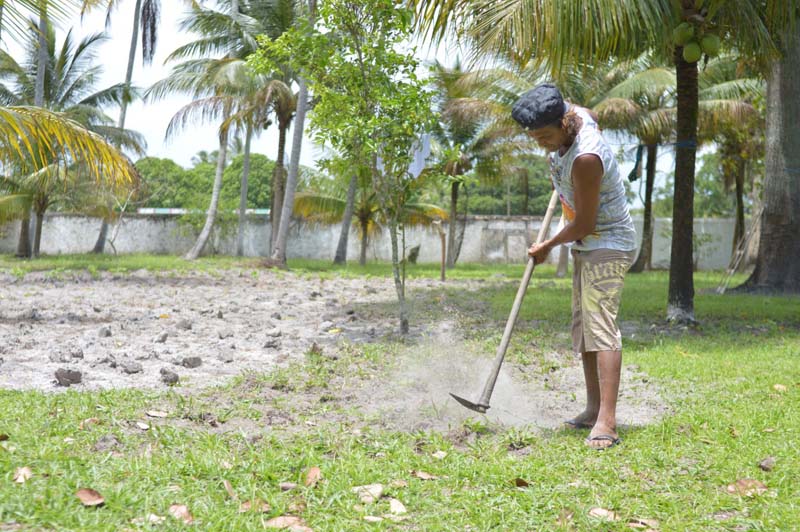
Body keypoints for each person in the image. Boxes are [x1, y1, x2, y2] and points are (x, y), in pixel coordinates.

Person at [511, 83, 637, 450]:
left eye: (545, 136)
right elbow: (591, 114)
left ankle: (608, 423)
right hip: (586, 244)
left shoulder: (586, 158)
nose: (541, 144)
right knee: (584, 330)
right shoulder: (576, 116)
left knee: (601, 328)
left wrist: (547, 245)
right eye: (534, 138)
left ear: (564, 124)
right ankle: (592, 408)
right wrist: (557, 152)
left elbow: (584, 223)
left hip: (607, 243)